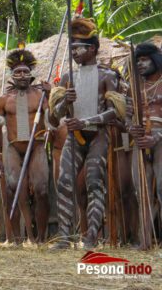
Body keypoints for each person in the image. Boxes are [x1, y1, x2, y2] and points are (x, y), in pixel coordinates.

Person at [49, 18, 125, 249]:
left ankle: (91, 238)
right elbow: (55, 117)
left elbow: (115, 113)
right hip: (75, 135)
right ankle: (64, 237)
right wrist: (64, 103)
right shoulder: (67, 77)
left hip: (98, 136)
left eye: (77, 48)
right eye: (71, 48)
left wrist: (87, 120)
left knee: (94, 182)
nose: (73, 53)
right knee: (64, 182)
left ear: (92, 48)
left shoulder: (108, 76)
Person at [0, 48, 50, 244]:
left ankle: (41, 239)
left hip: (37, 145)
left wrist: (49, 97)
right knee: (13, 188)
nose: (22, 76)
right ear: (11, 76)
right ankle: (17, 239)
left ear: (31, 73)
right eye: (17, 72)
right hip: (13, 147)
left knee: (41, 188)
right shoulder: (3, 100)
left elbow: (53, 121)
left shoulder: (40, 96)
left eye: (25, 72)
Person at [128, 42, 162, 240]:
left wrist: (157, 136)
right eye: (137, 60)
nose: (140, 64)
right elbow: (127, 116)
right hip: (140, 140)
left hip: (159, 137)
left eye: (144, 60)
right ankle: (145, 240)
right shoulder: (133, 87)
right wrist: (131, 128)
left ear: (156, 60)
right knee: (142, 191)